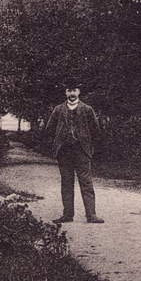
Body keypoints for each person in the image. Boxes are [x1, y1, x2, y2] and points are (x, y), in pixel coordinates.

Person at [45, 78, 104, 224]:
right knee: (66, 183)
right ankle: (67, 215)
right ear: (65, 92)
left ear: (79, 92)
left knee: (86, 183)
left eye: (74, 90)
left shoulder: (87, 109)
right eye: (69, 90)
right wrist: (57, 144)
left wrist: (89, 147)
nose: (72, 93)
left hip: (82, 151)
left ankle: (91, 215)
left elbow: (96, 131)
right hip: (64, 152)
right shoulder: (58, 110)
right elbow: (48, 130)